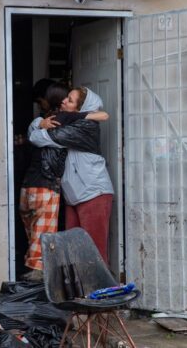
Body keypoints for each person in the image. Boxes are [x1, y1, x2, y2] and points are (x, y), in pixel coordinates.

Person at [19, 82, 108, 280]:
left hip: (92, 191)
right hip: (74, 193)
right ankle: (80, 294)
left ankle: (99, 293)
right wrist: (38, 123)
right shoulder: (72, 120)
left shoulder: (84, 127)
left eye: (70, 100)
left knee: (94, 248)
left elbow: (40, 138)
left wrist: (38, 128)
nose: (64, 101)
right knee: (74, 247)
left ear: (80, 109)